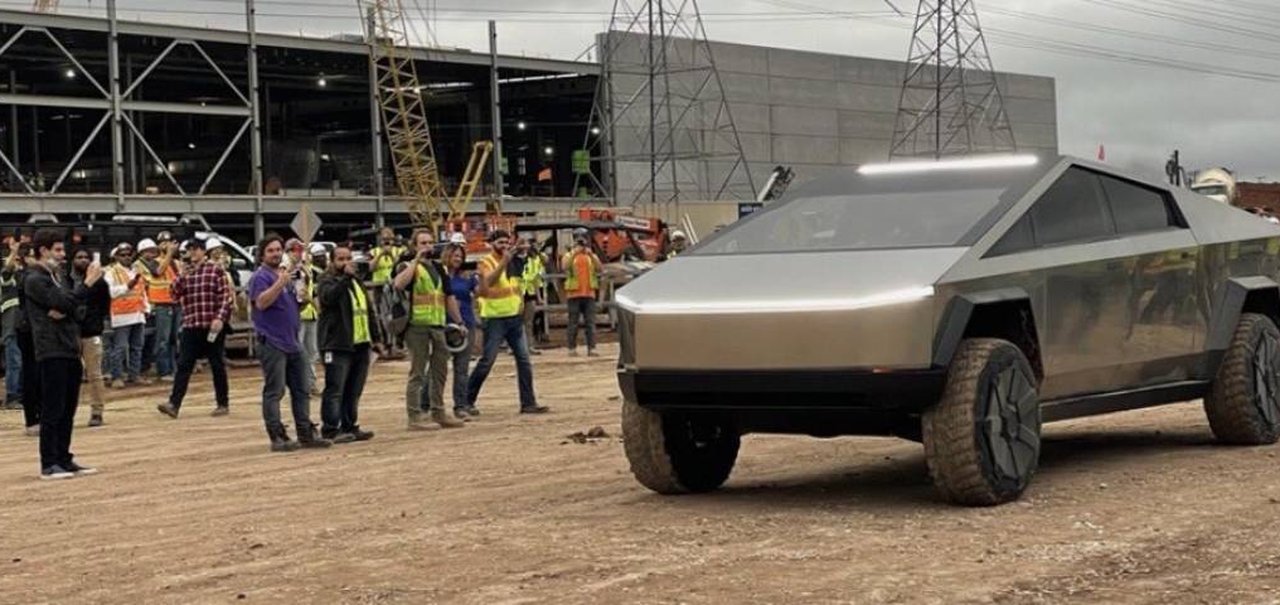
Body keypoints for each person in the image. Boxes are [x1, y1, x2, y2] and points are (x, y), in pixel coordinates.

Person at [24, 227, 102, 480]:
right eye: (57, 250)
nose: (62, 255)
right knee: (53, 408)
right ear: (43, 251)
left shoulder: (59, 278)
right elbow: (66, 303)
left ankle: (63, 458)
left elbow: (76, 309)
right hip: (51, 349)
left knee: (68, 409)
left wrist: (66, 305)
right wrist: (85, 286)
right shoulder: (35, 279)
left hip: (70, 348)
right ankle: (49, 463)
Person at [249, 234, 331, 451]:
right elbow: (262, 303)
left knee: (301, 389)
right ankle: (277, 436)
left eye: (278, 250)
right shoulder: (261, 277)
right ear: (262, 255)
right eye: (271, 251)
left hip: (293, 341)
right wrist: (280, 284)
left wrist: (303, 300)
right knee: (275, 391)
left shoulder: (286, 276)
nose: (276, 254)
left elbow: (293, 308)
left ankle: (305, 433)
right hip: (272, 342)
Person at [466, 230, 549, 415]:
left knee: (524, 360)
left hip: (513, 317)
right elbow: (488, 283)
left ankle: (528, 402)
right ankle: (466, 400)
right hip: (495, 318)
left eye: (506, 242)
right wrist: (504, 262)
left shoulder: (513, 262)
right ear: (492, 243)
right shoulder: (486, 262)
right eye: (500, 242)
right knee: (487, 361)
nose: (504, 246)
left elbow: (517, 285)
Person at [393, 229, 466, 429]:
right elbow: (398, 284)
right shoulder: (407, 266)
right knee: (418, 371)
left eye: (430, 243)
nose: (427, 247)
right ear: (414, 246)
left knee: (440, 370)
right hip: (417, 326)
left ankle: (438, 411)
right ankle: (414, 416)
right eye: (423, 243)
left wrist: (459, 322)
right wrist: (415, 261)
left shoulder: (438, 268)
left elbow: (447, 296)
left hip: (438, 325)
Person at [157, 238, 234, 419]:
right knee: (184, 365)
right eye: (189, 250)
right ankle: (174, 404)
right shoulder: (186, 273)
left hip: (212, 325)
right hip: (192, 325)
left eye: (195, 249)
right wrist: (182, 276)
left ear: (203, 251)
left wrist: (220, 318)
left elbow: (225, 297)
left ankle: (222, 403)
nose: (192, 254)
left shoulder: (215, 270)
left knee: (217, 365)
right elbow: (174, 294)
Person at [317, 244, 375, 443]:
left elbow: (367, 310)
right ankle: (331, 428)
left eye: (348, 258)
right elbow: (328, 297)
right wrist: (345, 278)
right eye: (340, 259)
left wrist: (376, 337)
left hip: (359, 343)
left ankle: (350, 425)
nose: (345, 262)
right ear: (332, 261)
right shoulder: (326, 280)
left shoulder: (356, 282)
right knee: (335, 388)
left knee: (354, 389)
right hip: (336, 343)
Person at [69, 248, 111, 427]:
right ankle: (67, 413)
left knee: (95, 374)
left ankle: (97, 412)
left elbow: (105, 307)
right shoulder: (66, 280)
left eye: (86, 257)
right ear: (73, 260)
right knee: (69, 376)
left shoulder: (100, 283)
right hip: (69, 334)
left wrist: (96, 324)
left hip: (91, 332)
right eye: (79, 257)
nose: (83, 260)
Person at [104, 242, 151, 388]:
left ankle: (134, 375)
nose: (126, 257)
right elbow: (109, 292)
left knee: (137, 346)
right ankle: (116, 376)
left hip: (138, 314)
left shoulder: (136, 271)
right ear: (117, 256)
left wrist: (147, 308)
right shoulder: (111, 272)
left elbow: (142, 291)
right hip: (122, 315)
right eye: (123, 255)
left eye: (129, 254)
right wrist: (127, 286)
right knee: (120, 348)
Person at [135, 237, 179, 382]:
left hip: (175, 302)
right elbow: (158, 272)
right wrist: (168, 254)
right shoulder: (154, 262)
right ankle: (164, 371)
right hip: (161, 304)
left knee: (173, 338)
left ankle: (174, 369)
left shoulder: (174, 262)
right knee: (163, 339)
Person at [444, 243, 479, 419]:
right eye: (455, 255)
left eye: (460, 256)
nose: (458, 259)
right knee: (438, 367)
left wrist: (481, 278)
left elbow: (480, 293)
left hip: (466, 323)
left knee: (462, 368)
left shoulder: (467, 277)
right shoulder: (440, 275)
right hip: (444, 324)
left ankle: (461, 405)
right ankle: (427, 404)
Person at [562, 236, 603, 357]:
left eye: (583, 243)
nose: (582, 246)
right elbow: (564, 267)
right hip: (574, 294)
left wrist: (591, 255)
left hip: (589, 294)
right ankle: (571, 348)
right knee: (573, 323)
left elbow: (600, 269)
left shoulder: (591, 256)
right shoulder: (569, 255)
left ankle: (592, 348)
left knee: (590, 323)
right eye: (579, 243)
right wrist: (575, 253)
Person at [369, 228, 404, 356]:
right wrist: (380, 255)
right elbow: (371, 268)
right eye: (384, 239)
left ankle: (398, 344)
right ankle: (385, 345)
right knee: (381, 316)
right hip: (379, 286)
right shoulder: (374, 252)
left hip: (395, 286)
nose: (387, 241)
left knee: (398, 315)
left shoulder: (399, 251)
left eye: (389, 239)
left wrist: (391, 255)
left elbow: (400, 267)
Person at [298, 243, 325, 395]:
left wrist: (317, 308)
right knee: (300, 353)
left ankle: (311, 384)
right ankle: (301, 386)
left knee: (312, 353)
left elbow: (313, 293)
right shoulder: (298, 273)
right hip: (300, 315)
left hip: (312, 315)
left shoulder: (311, 273)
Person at [2, 238, 25, 410]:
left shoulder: (24, 278)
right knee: (14, 361)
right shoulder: (8, 280)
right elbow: (7, 270)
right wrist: (14, 251)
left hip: (23, 326)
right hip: (11, 326)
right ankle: (12, 396)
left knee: (21, 361)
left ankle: (19, 394)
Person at [518, 237, 547, 355]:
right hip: (516, 293)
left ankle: (529, 346)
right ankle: (516, 347)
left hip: (529, 293)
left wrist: (538, 297)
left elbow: (535, 279)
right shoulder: (514, 259)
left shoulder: (534, 260)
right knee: (516, 322)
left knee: (528, 322)